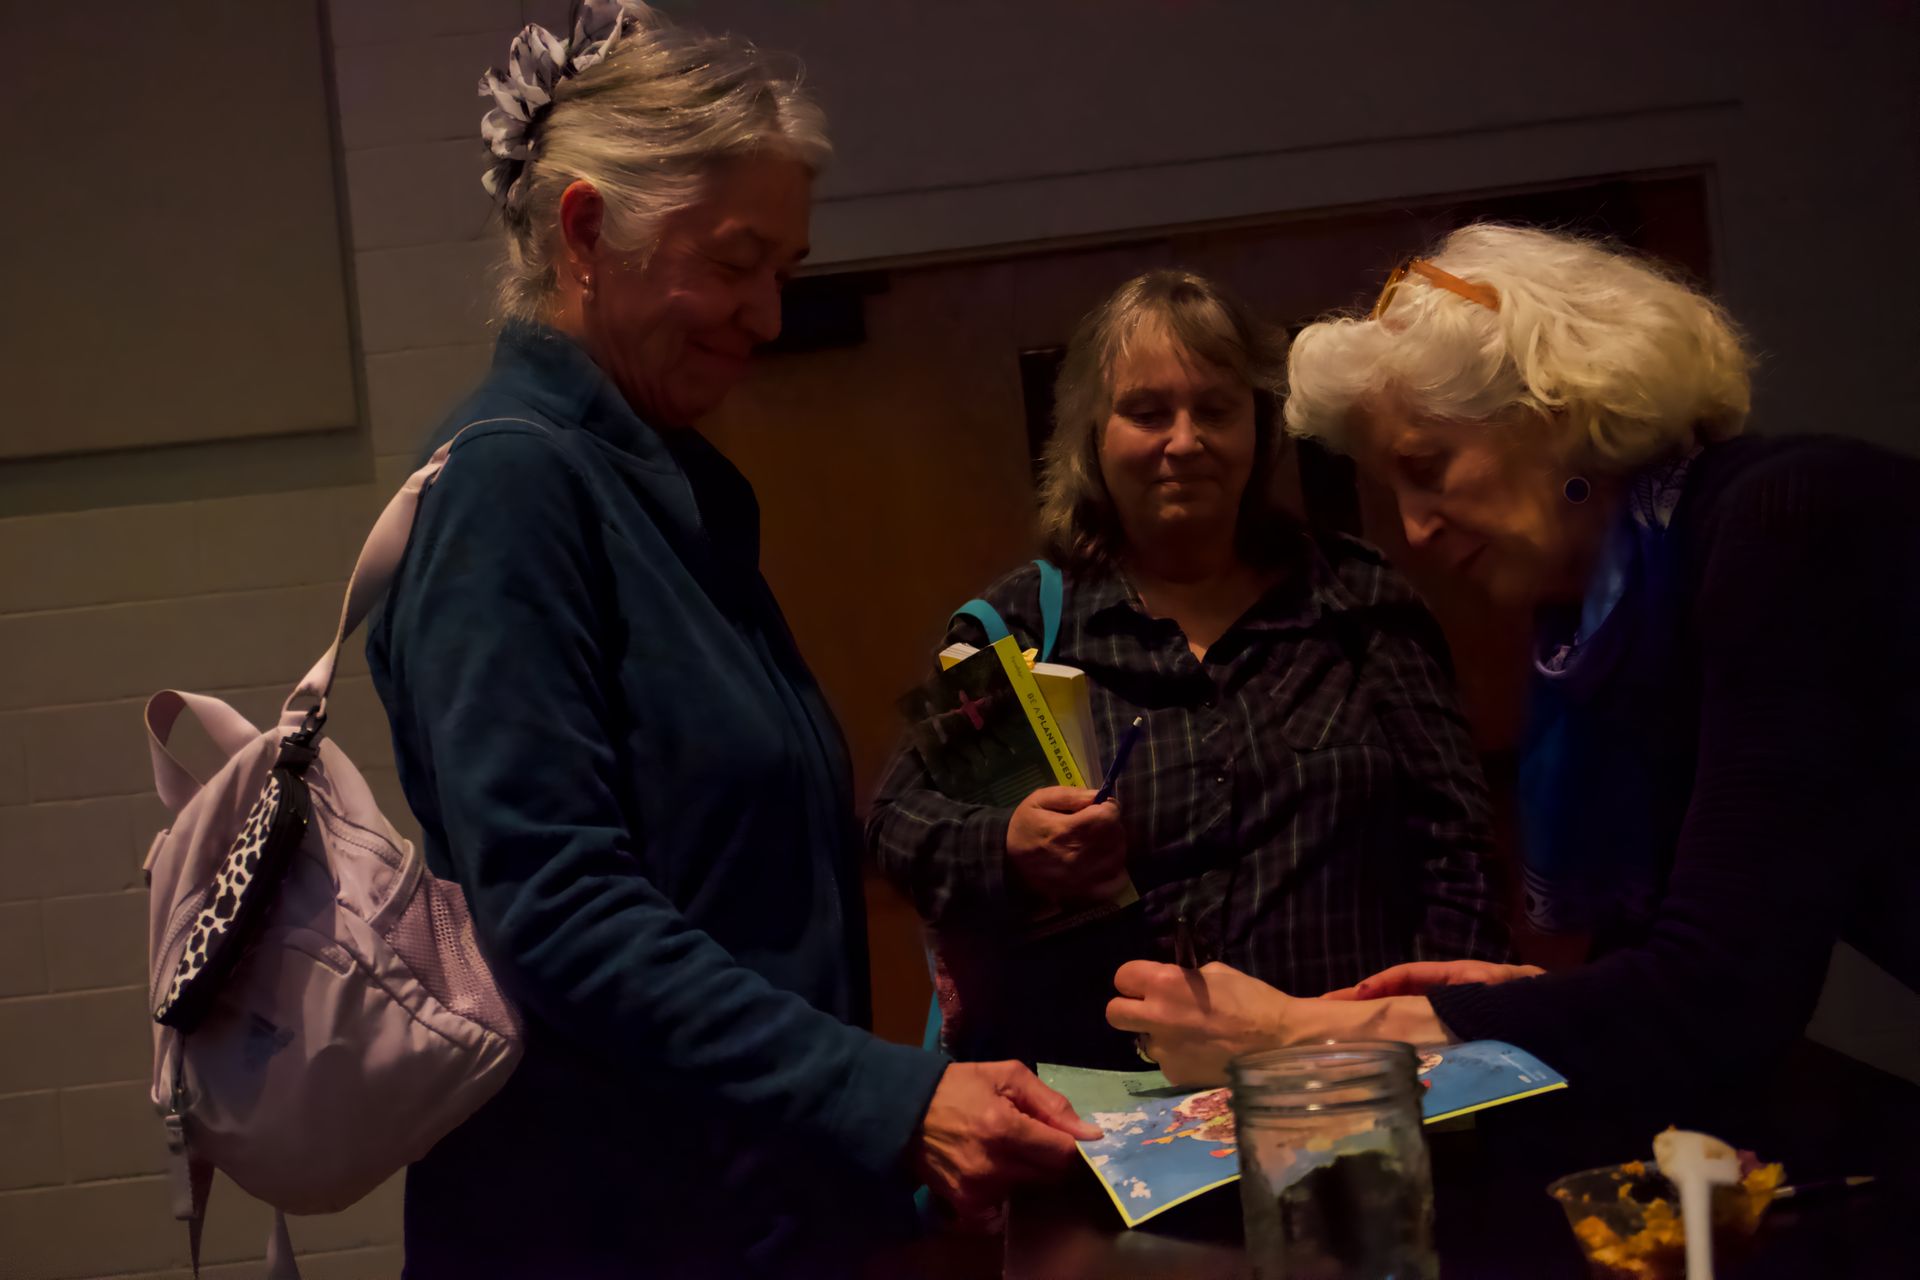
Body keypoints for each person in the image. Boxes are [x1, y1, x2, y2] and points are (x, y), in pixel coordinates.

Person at [367, 5, 1094, 1275]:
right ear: (587, 231)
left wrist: (884, 1130)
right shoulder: (515, 488)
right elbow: (559, 907)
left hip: (741, 1209)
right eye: (736, 259)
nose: (767, 313)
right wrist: (890, 1099)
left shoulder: (666, 491)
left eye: (786, 269)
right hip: (606, 1226)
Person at [1107, 224, 1920, 1110]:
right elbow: (1643, 969)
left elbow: (1719, 994)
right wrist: (1490, 1003)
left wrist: (1302, 1030)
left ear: (1557, 414)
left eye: (1429, 468)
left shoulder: (1784, 523)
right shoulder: (1611, 622)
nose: (1415, 529)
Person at [869, 269, 1510, 1069]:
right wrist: (1008, 843)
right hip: (1112, 1123)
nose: (1184, 441)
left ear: (1260, 429)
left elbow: (1456, 850)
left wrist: (1442, 1047)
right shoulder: (1023, 627)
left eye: (1215, 409)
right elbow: (896, 827)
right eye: (1146, 412)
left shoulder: (1358, 604)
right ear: (1092, 436)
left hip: (1348, 1084)